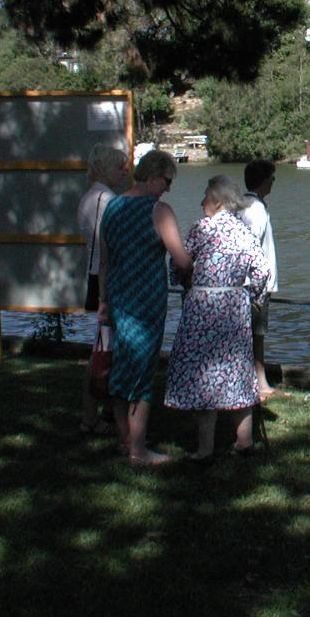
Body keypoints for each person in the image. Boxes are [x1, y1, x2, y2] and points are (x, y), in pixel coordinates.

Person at [163, 175, 270, 460]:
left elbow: (178, 265)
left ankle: (205, 448)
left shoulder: (201, 229)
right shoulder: (244, 232)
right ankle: (245, 441)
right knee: (237, 370)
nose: (201, 203)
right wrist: (255, 299)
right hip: (234, 305)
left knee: (203, 373)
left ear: (219, 201)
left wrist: (185, 282)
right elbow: (262, 271)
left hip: (203, 305)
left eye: (206, 197)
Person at [99, 148, 192, 466]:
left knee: (122, 367)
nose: (168, 187)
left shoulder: (113, 207)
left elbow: (105, 261)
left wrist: (103, 302)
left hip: (119, 300)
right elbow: (181, 259)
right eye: (167, 180)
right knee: (142, 373)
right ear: (152, 176)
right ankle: (139, 450)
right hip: (146, 303)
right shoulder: (159, 211)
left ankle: (124, 439)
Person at [78, 143, 128, 434]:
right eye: (118, 166)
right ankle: (91, 417)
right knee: (103, 352)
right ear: (102, 168)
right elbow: (107, 251)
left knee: (106, 349)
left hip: (98, 276)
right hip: (104, 281)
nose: (123, 172)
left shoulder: (91, 197)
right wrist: (105, 298)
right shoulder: (105, 200)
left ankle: (105, 411)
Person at [240, 159, 278, 400]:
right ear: (264, 181)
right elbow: (252, 247)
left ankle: (258, 380)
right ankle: (259, 382)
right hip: (255, 286)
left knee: (255, 334)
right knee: (256, 334)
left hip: (251, 283)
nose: (273, 183)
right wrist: (257, 286)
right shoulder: (256, 209)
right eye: (272, 178)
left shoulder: (244, 205)